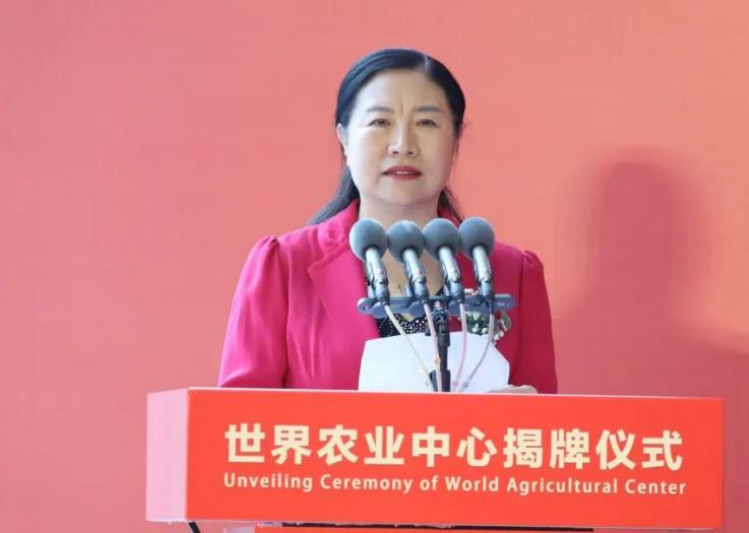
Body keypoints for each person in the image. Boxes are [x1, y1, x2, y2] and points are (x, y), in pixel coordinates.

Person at [217, 48, 557, 393]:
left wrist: (527, 412)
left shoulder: (512, 273)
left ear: (455, 140)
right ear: (344, 138)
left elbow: (549, 416)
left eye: (426, 123)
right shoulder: (284, 266)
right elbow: (236, 418)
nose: (402, 145)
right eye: (380, 122)